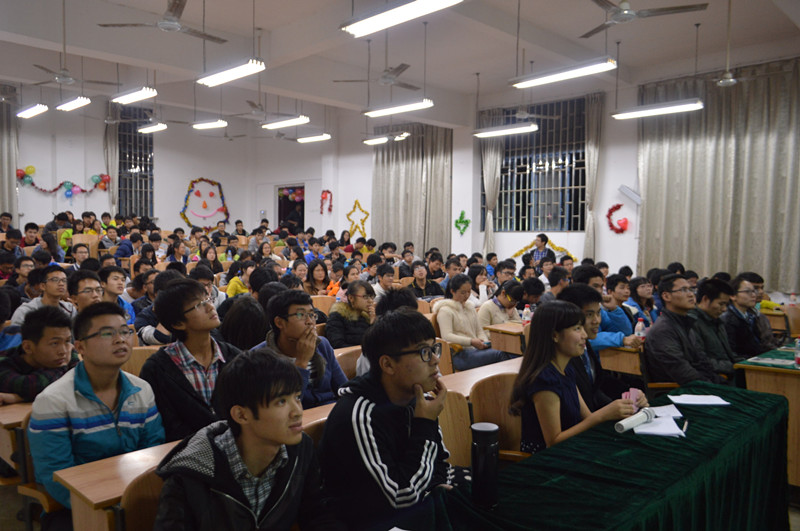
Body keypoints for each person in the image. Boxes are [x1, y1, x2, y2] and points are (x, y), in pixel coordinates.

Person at [154, 349, 343, 530]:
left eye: (297, 397)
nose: (297, 412)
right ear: (241, 415)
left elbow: (317, 514)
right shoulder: (189, 476)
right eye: (281, 402)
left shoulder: (301, 449)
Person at [28, 303, 164, 527]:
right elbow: (55, 477)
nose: (120, 339)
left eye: (124, 331)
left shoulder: (141, 389)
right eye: (107, 333)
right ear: (80, 346)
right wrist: (110, 512)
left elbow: (153, 450)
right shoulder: (53, 401)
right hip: (77, 507)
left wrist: (138, 500)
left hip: (135, 498)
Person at [319, 309, 452, 529]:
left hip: (412, 510)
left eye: (434, 349)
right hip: (368, 522)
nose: (436, 360)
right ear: (388, 365)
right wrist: (425, 424)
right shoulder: (357, 415)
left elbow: (439, 461)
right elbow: (400, 496)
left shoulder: (417, 398)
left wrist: (438, 485)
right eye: (424, 352)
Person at [510, 301, 636, 454]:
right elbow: (553, 442)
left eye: (582, 327)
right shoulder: (544, 380)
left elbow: (587, 418)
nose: (584, 335)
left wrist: (628, 405)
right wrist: (602, 415)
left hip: (573, 448)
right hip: (546, 459)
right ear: (555, 335)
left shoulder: (566, 368)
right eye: (577, 329)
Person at [142, 278, 242, 442]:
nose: (210, 307)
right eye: (199, 305)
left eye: (208, 299)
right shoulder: (157, 369)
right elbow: (167, 427)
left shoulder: (234, 358)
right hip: (184, 452)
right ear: (178, 323)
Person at [558, 285, 647, 412]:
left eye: (598, 313)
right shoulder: (564, 356)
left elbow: (596, 387)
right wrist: (609, 411)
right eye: (589, 315)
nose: (597, 321)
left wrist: (630, 396)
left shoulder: (585, 345)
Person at [260, 290, 346, 409]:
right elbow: (283, 407)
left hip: (330, 412)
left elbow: (343, 388)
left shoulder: (322, 345)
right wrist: (301, 362)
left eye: (311, 315)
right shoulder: (261, 358)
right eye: (301, 315)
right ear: (279, 322)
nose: (310, 322)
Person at [644, 274, 721, 385]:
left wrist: (716, 381)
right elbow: (681, 372)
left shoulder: (685, 323)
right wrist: (712, 386)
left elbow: (702, 361)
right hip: (676, 390)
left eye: (691, 289)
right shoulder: (663, 330)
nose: (691, 294)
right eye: (684, 290)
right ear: (666, 296)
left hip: (698, 385)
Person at [433, 274, 514, 371]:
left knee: (510, 349)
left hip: (475, 349)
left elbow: (479, 330)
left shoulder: (470, 307)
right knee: (500, 354)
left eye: (469, 292)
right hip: (459, 353)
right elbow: (447, 336)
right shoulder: (445, 310)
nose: (466, 296)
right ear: (452, 291)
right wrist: (471, 341)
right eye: (463, 292)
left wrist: (484, 342)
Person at [0, 306, 79, 404]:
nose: (63, 351)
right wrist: (62, 367)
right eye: (54, 343)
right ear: (28, 347)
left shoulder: (68, 351)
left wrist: (18, 398)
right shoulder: (3, 363)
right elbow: (28, 386)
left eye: (67, 341)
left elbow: (80, 381)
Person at [691, 278, 741, 381]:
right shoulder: (692, 323)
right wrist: (733, 366)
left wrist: (744, 363)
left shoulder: (717, 321)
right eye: (721, 304)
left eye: (726, 305)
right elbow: (700, 360)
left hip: (729, 373)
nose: (724, 309)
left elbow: (728, 354)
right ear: (705, 299)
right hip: (714, 378)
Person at [721, 276, 773, 359]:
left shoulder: (751, 316)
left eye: (753, 291)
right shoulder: (728, 319)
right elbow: (732, 353)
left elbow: (757, 346)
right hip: (743, 362)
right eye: (748, 291)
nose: (754, 295)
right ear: (733, 296)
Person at [10, 265, 77, 326]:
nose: (61, 284)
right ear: (43, 286)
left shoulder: (70, 309)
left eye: (64, 280)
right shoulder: (26, 311)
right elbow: (16, 334)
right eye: (55, 280)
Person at [326, 280, 375, 349]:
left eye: (372, 296)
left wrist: (372, 323)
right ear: (351, 298)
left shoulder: (366, 317)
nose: (370, 301)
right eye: (365, 297)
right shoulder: (337, 316)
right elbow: (337, 345)